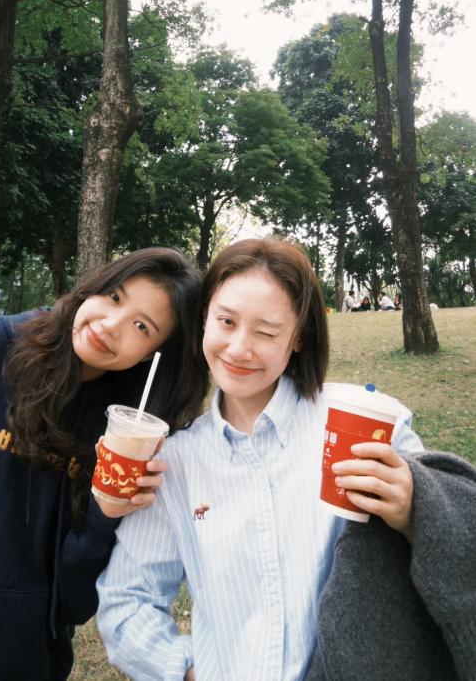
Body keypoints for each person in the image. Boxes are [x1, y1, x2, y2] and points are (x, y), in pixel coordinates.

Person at [97, 239, 423, 681]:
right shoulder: (176, 462)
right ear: (204, 319)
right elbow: (126, 600)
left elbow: (452, 549)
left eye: (266, 332)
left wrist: (414, 512)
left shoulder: (363, 424)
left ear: (299, 337)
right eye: (226, 321)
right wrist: (188, 671)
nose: (238, 348)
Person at [0, 247, 208, 681]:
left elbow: (73, 602)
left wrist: (104, 512)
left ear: (151, 355)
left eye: (141, 326)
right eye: (114, 297)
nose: (111, 325)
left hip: (28, 661)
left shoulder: (121, 435)